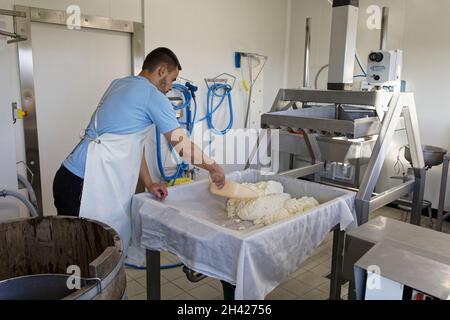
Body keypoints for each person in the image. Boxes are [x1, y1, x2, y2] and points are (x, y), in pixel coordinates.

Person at [52, 47, 225, 253]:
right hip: (84, 184)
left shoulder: (119, 84)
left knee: (77, 254)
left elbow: (133, 143)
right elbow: (182, 147)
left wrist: (149, 182)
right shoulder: (152, 95)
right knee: (89, 257)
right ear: (162, 71)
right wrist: (214, 167)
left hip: (67, 177)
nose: (171, 87)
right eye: (172, 79)